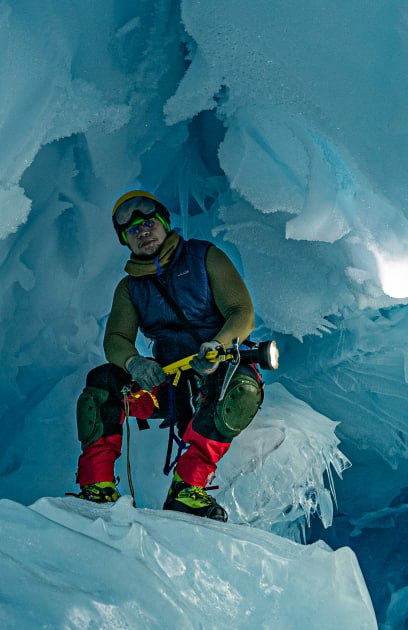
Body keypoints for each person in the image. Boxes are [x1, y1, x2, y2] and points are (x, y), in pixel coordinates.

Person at [71, 190, 265, 521]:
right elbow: (117, 339)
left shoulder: (205, 258)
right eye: (132, 231)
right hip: (168, 385)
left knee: (241, 388)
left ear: (164, 223)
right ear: (125, 241)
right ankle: (97, 489)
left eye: (148, 224)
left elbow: (240, 312)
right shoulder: (130, 288)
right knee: (103, 385)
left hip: (218, 372)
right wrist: (135, 364)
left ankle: (187, 490)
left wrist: (217, 347)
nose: (142, 232)